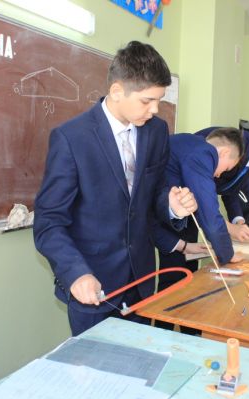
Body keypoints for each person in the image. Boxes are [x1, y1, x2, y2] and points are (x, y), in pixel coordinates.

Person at [33, 41, 198, 336]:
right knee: (95, 365)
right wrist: (76, 273)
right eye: (147, 101)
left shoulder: (156, 131)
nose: (155, 110)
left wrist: (172, 206)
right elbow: (49, 222)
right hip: (93, 286)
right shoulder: (72, 138)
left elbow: (154, 194)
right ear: (117, 91)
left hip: (141, 284)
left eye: (159, 100)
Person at [153, 127, 243, 334]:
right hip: (149, 226)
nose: (219, 174)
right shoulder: (203, 152)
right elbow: (209, 214)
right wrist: (227, 255)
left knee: (177, 288)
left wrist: (185, 246)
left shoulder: (189, 143)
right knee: (169, 290)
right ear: (224, 152)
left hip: (162, 224)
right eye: (226, 168)